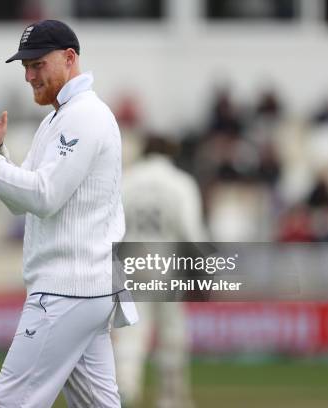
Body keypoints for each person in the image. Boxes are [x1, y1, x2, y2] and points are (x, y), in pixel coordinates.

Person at [0, 19, 137, 408]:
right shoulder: (58, 118)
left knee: (8, 403)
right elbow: (21, 199)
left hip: (67, 291)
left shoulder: (85, 116)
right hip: (83, 288)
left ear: (69, 58)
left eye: (38, 64)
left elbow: (43, 197)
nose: (28, 75)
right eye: (25, 66)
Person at [113, 136, 205, 408]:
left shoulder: (127, 180)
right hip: (168, 266)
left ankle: (125, 391)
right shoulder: (181, 182)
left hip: (132, 264)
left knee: (131, 334)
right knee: (172, 334)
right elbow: (192, 230)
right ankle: (171, 398)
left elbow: (113, 226)